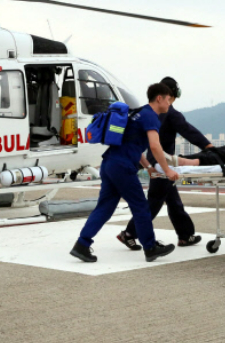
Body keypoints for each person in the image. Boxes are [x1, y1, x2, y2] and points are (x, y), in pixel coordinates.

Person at [70, 83, 180, 263]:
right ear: (159, 98)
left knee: (104, 208)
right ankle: (150, 247)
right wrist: (167, 170)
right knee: (141, 207)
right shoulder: (151, 117)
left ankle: (81, 244)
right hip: (122, 168)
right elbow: (154, 145)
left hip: (109, 164)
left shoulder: (137, 113)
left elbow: (132, 145)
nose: (169, 104)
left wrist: (149, 167)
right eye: (168, 100)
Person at [119, 77, 214, 250]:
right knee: (155, 201)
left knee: (173, 200)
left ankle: (185, 235)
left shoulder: (149, 112)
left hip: (155, 161)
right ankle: (130, 233)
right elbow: (188, 131)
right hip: (163, 163)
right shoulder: (171, 114)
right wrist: (207, 145)